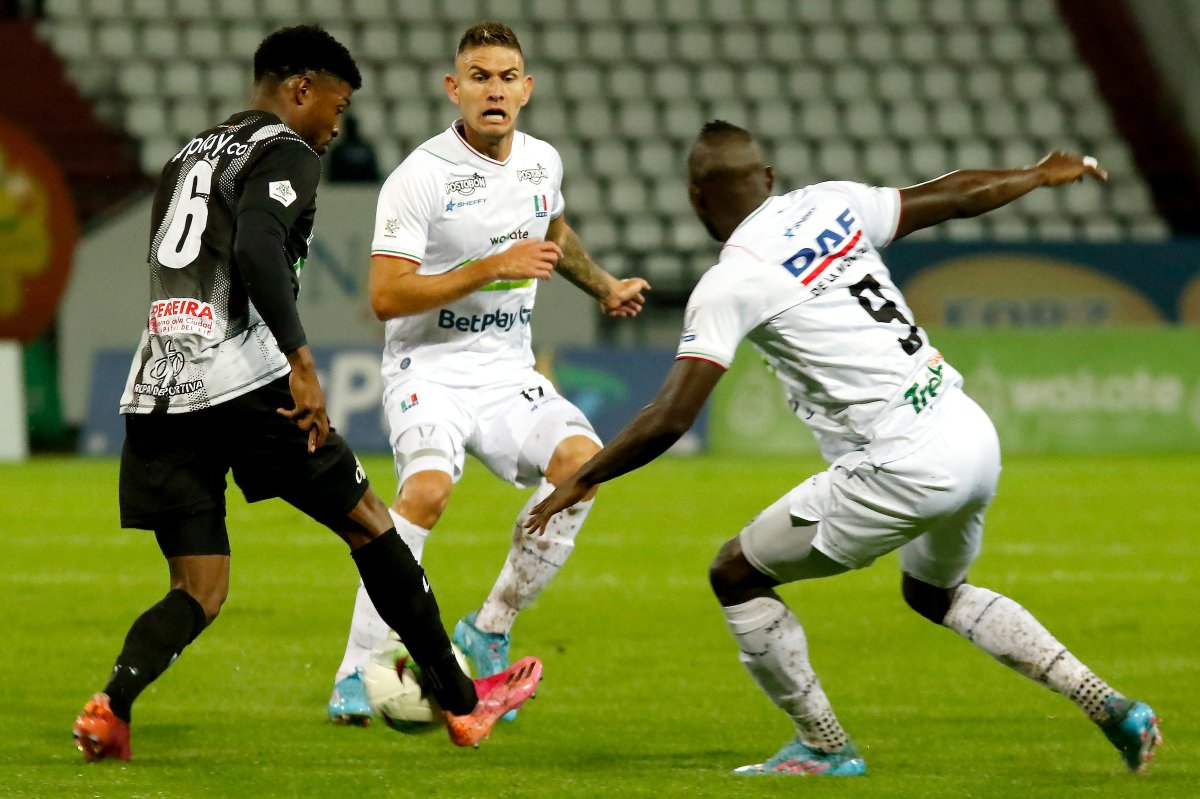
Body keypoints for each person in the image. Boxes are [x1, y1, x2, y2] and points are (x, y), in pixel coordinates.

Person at [527, 121, 1162, 776]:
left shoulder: (732, 280)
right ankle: (1112, 705)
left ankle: (826, 745)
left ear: (695, 197)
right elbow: (953, 195)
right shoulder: (831, 203)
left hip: (903, 460)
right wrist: (1035, 173)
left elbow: (671, 414)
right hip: (967, 427)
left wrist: (583, 475)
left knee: (736, 573)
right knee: (935, 592)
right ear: (768, 179)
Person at [71, 25, 542, 762]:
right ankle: (461, 700)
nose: (335, 125)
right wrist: (300, 359)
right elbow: (258, 244)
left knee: (199, 588)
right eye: (338, 105)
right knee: (370, 523)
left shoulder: (188, 152)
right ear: (301, 89)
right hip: (245, 382)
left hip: (158, 386)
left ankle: (112, 704)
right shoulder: (285, 149)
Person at [326, 20, 650, 725]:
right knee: (428, 492)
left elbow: (554, 234)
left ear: (526, 90)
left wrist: (604, 287)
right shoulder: (420, 176)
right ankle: (356, 669)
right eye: (479, 76)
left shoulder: (541, 162)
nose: (493, 90)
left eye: (506, 77)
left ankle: (490, 623)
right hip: (429, 369)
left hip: (506, 371)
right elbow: (385, 295)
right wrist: (490, 267)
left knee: (583, 463)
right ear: (454, 88)